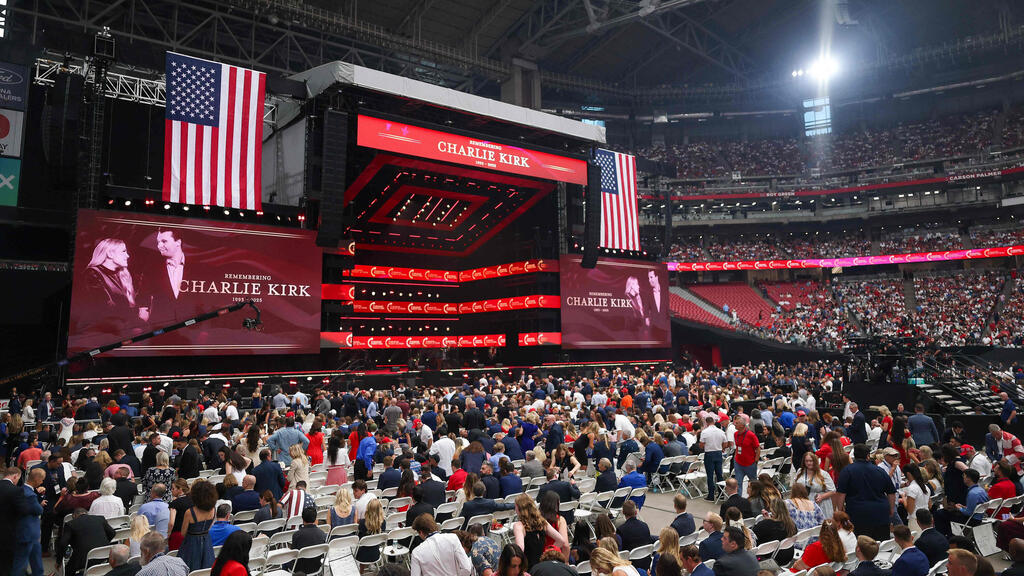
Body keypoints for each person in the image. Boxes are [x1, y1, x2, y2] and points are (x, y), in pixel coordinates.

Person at [836, 443, 896, 541]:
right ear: (868, 456)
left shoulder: (847, 471)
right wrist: (891, 508)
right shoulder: (880, 471)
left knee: (862, 546)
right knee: (882, 547)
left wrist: (840, 510)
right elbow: (891, 493)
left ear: (854, 456)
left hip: (858, 514)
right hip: (880, 513)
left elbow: (841, 493)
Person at [58, 508, 116, 576]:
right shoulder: (100, 519)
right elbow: (112, 533)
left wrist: (58, 561)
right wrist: (104, 542)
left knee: (68, 570)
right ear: (87, 513)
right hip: (105, 557)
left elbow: (63, 543)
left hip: (82, 560)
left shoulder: (70, 524)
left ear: (73, 516)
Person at [934, 468, 988, 537]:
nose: (963, 478)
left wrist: (959, 508)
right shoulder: (981, 490)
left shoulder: (972, 493)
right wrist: (963, 507)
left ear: (969, 479)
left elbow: (968, 513)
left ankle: (943, 536)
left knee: (940, 514)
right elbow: (975, 508)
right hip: (977, 517)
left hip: (971, 520)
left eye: (964, 476)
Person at [177, 479, 217, 571]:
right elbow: (209, 526)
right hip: (206, 541)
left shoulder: (190, 512)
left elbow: (183, 533)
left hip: (191, 544)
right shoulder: (213, 509)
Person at [12, 468, 45, 576]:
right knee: (21, 564)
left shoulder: (22, 490)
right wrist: (40, 497)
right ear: (36, 479)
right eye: (42, 480)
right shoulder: (30, 495)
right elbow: (39, 510)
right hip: (27, 533)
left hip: (29, 533)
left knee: (36, 562)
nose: (42, 482)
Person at [752, 498, 797, 565]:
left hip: (770, 558)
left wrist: (766, 521)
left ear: (772, 510)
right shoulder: (792, 524)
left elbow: (753, 534)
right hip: (787, 557)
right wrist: (768, 519)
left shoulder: (766, 524)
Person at [794, 450, 837, 518]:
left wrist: (822, 496)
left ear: (815, 461)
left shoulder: (823, 474)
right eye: (806, 461)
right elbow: (795, 487)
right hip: (804, 504)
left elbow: (833, 491)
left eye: (811, 461)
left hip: (820, 504)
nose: (808, 463)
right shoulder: (800, 472)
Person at [729, 415, 760, 497]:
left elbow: (758, 448)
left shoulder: (751, 435)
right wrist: (736, 458)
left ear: (742, 425)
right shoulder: (735, 434)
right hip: (738, 463)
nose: (735, 424)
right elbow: (737, 447)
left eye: (737, 423)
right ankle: (738, 500)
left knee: (753, 483)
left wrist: (755, 461)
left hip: (750, 464)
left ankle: (755, 498)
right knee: (738, 483)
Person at [291, 507, 327, 574]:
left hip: (299, 569)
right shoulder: (322, 534)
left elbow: (293, 555)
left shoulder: (297, 535)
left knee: (284, 563)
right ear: (315, 519)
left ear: (302, 519)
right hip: (317, 566)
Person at [699, 417, 727, 501]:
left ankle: (711, 495)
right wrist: (722, 448)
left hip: (709, 453)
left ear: (707, 423)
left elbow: (701, 445)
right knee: (719, 474)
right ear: (714, 422)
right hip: (718, 452)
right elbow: (725, 443)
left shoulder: (705, 432)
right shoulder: (720, 431)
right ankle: (721, 493)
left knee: (710, 475)